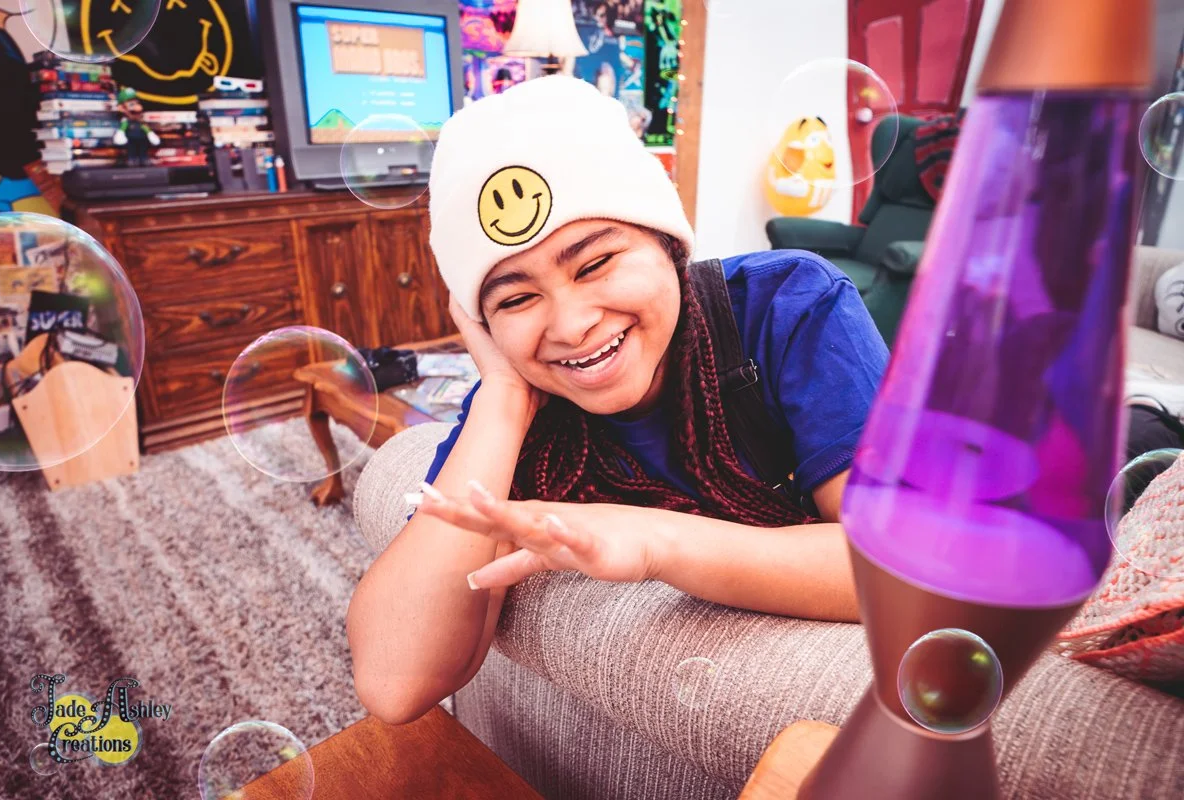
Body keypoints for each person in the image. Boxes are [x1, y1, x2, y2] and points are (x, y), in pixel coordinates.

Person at [346, 76, 888, 724]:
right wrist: (503, 396)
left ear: (668, 244)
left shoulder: (787, 306)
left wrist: (655, 540)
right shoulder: (525, 408)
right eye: (516, 298)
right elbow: (393, 682)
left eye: (595, 263)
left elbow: (898, 569)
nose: (571, 324)